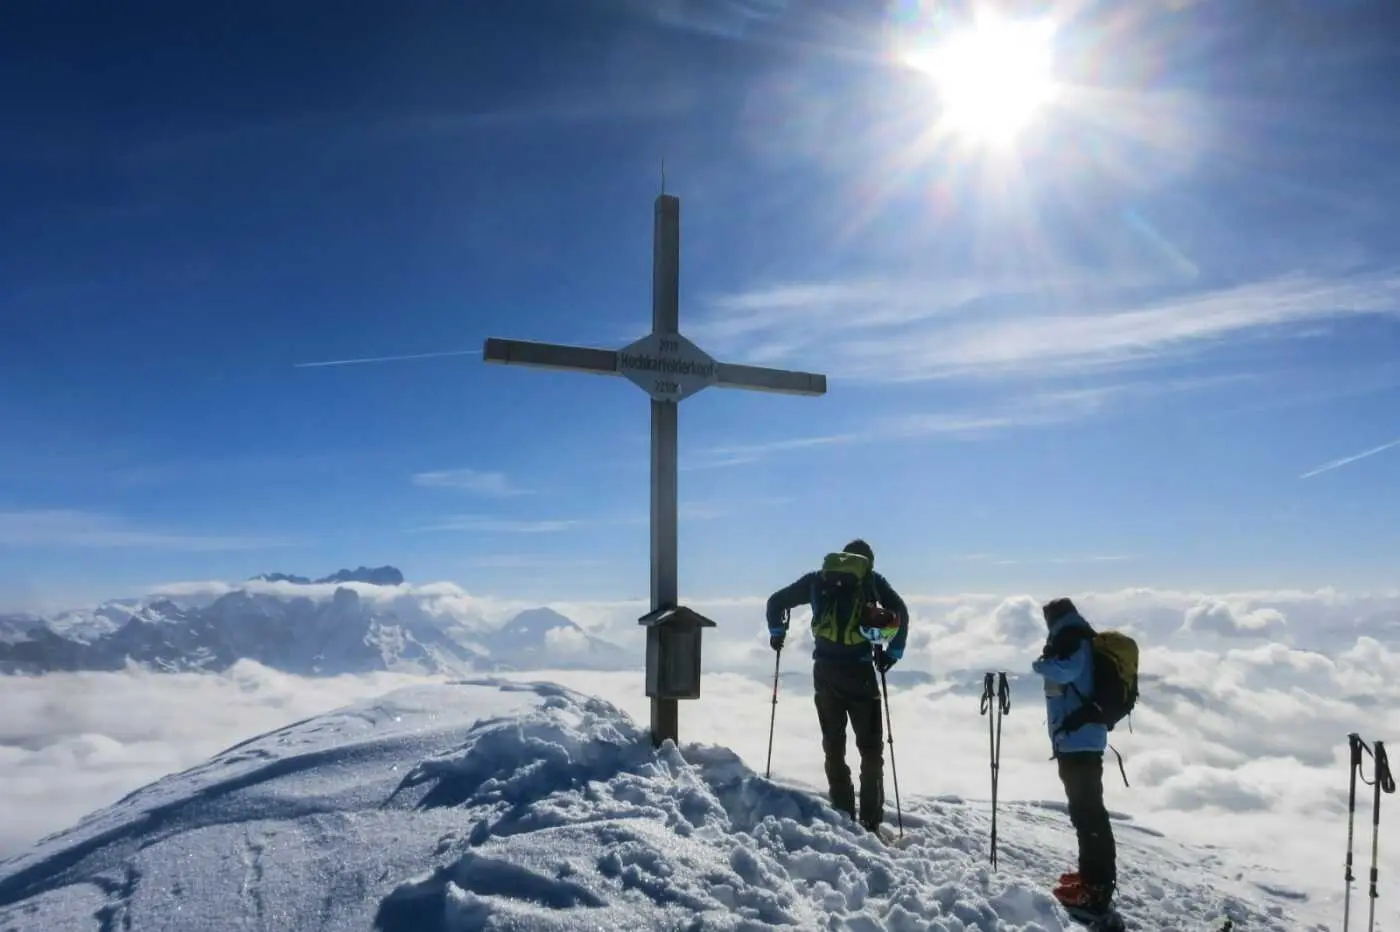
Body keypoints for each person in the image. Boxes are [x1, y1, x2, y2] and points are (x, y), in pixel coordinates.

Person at [765, 538, 910, 833]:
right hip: (860, 672)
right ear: (867, 562)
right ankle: (870, 821)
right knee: (870, 750)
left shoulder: (818, 579)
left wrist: (777, 633)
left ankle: (843, 815)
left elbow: (775, 602)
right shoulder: (872, 581)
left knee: (834, 746)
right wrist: (892, 653)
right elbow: (901, 612)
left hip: (824, 672)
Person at [1032, 596, 1119, 919]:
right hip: (1079, 739)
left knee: (1088, 814)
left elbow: (1066, 671)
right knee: (1085, 812)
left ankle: (1095, 889)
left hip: (1079, 741)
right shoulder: (1076, 637)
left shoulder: (1073, 639)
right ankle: (1090, 877)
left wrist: (1039, 665)